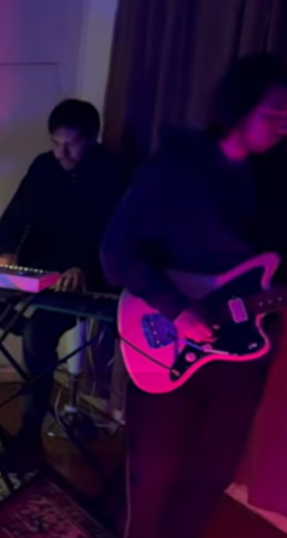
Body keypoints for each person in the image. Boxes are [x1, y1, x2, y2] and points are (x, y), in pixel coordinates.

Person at [100, 53, 287, 538]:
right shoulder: (174, 169)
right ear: (240, 105)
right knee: (151, 480)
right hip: (167, 339)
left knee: (211, 476)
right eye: (274, 111)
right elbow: (117, 252)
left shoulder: (276, 180)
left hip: (244, 358)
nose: (284, 123)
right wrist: (178, 309)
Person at [0, 99, 125, 470]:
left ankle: (29, 435)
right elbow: (14, 218)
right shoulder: (43, 167)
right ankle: (29, 333)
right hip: (35, 275)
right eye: (55, 143)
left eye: (71, 145)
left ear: (92, 139)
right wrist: (6, 253)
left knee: (39, 333)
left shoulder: (111, 173)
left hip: (82, 283)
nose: (61, 153)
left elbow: (115, 238)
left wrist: (83, 268)